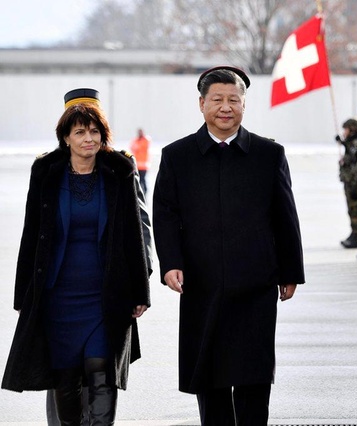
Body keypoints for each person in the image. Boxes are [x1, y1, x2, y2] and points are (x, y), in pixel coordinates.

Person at [153, 66, 305, 425]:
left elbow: (285, 216)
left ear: (244, 105)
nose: (225, 107)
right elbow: (164, 215)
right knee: (209, 369)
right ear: (202, 104)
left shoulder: (269, 154)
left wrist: (290, 270)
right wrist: (170, 263)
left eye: (233, 100)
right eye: (217, 100)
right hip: (200, 282)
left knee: (253, 370)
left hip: (256, 281)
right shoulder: (178, 156)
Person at [2, 88, 151, 425]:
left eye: (95, 131)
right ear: (65, 137)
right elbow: (32, 235)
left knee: (102, 370)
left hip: (104, 294)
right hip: (59, 297)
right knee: (66, 380)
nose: (89, 138)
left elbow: (134, 233)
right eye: (80, 131)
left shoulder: (120, 170)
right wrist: (24, 294)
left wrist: (140, 291)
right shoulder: (46, 172)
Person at [337, 117, 357, 248]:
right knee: (352, 209)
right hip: (349, 182)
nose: (344, 132)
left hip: (354, 183)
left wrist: (354, 185)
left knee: (355, 210)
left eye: (346, 129)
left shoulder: (356, 143)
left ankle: (356, 234)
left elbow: (354, 163)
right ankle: (354, 233)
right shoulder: (351, 143)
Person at [129, 128, 151, 194]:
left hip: (144, 165)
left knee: (143, 180)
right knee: (137, 180)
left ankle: (145, 192)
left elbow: (141, 147)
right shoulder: (136, 140)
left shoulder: (146, 140)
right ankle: (139, 192)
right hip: (137, 165)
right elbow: (132, 147)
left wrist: (137, 146)